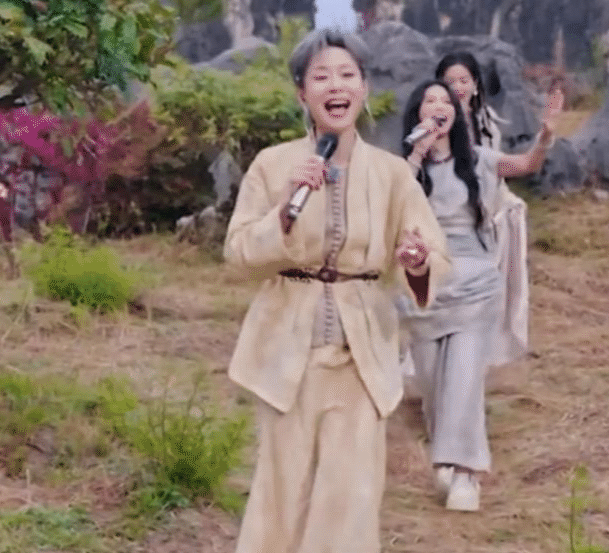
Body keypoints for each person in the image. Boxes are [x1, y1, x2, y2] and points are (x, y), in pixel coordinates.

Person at [224, 28, 452, 553]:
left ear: (364, 88)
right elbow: (238, 252)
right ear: (302, 92)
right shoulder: (273, 164)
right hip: (285, 356)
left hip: (361, 357)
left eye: (348, 75)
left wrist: (416, 261)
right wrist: (284, 213)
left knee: (350, 499)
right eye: (321, 76)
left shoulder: (393, 174)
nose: (336, 86)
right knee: (282, 496)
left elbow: (433, 254)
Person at [398, 75, 563, 512]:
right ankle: (446, 459)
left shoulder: (480, 160)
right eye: (428, 100)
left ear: (455, 114)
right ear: (417, 114)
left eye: (445, 101)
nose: (438, 106)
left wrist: (546, 136)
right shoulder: (403, 168)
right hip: (423, 286)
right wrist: (416, 154)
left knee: (464, 379)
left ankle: (465, 475)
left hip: (475, 282)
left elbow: (525, 165)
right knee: (433, 384)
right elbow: (391, 206)